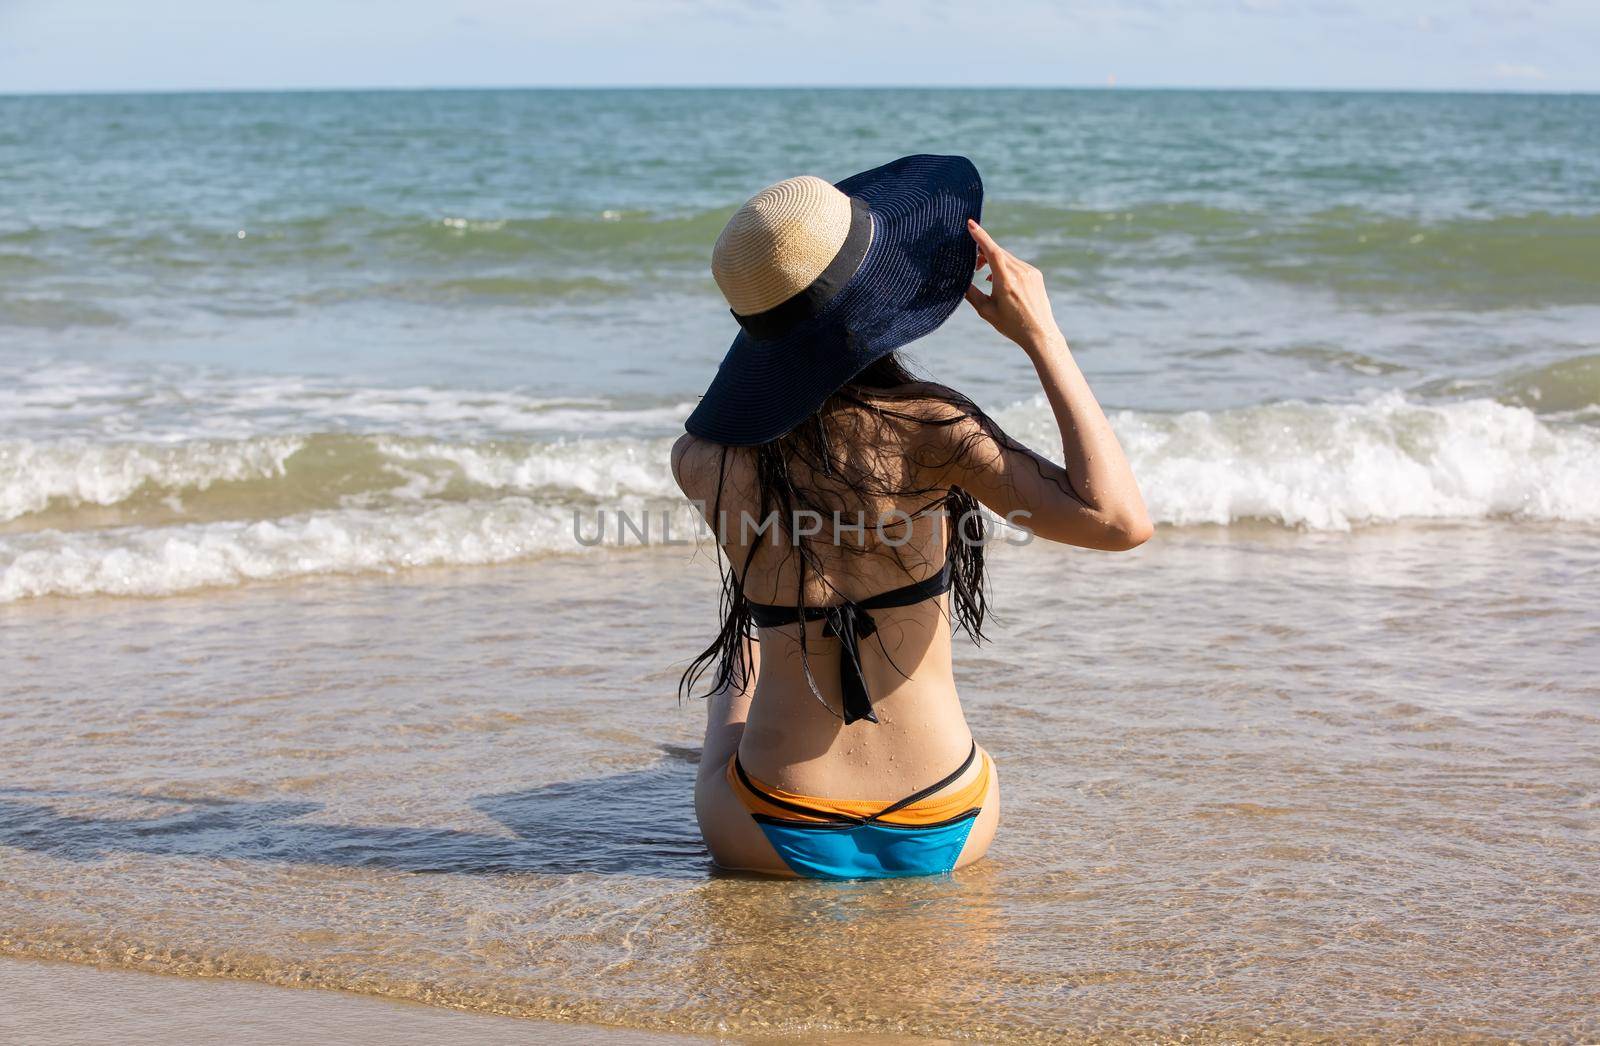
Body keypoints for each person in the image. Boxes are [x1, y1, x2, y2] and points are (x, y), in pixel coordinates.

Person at [672, 155, 1150, 879]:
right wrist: (1041, 336)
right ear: (879, 300)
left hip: (767, 830)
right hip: (948, 818)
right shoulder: (935, 431)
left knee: (740, 665)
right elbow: (1119, 522)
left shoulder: (702, 459)